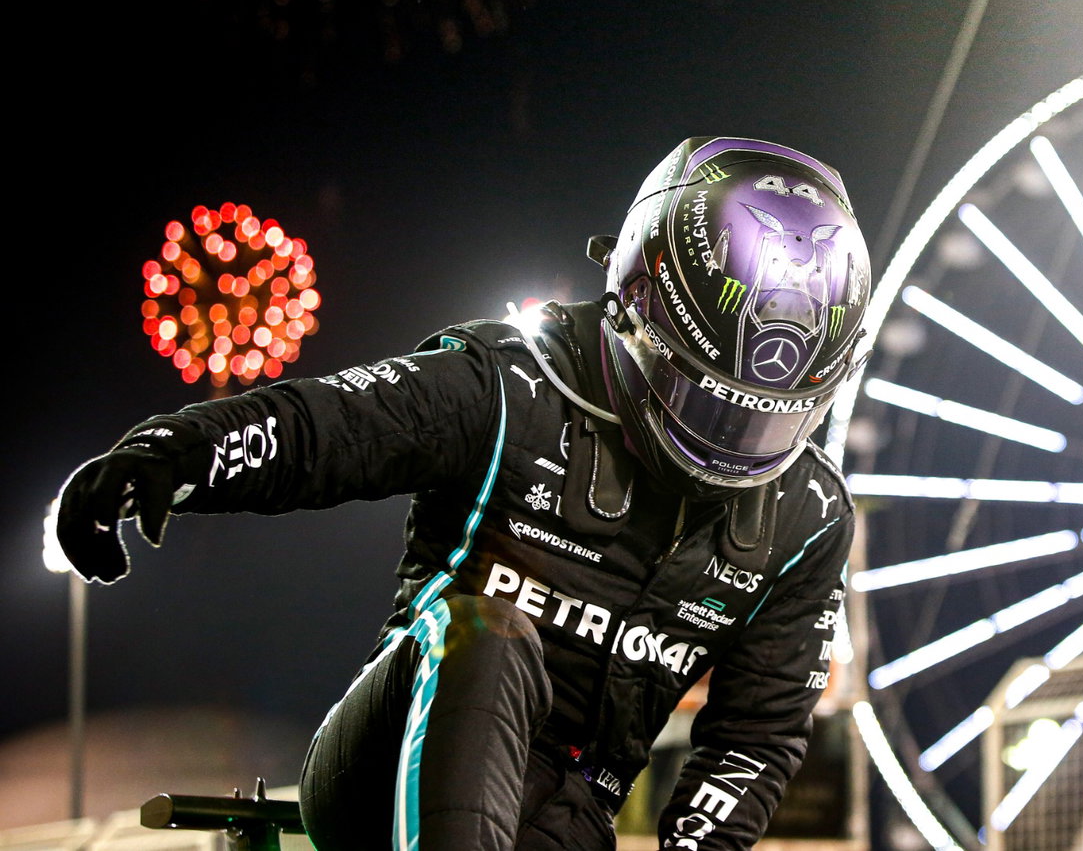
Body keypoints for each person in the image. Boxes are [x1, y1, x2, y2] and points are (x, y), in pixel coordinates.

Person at [51, 136, 873, 850]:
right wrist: (177, 451)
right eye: (709, 401)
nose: (727, 446)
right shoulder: (514, 382)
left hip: (565, 814)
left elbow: (754, 738)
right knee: (487, 632)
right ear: (636, 309)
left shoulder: (811, 516)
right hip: (384, 772)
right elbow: (330, 426)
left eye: (764, 421)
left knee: (567, 804)